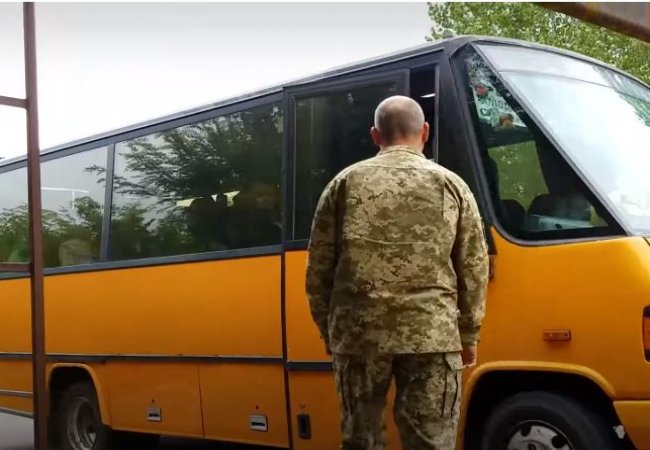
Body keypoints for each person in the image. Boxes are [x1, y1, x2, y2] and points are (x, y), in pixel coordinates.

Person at [306, 95, 489, 450]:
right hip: (432, 336)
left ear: (375, 135)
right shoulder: (451, 184)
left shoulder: (344, 183)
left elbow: (319, 268)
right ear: (425, 132)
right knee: (431, 443)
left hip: (358, 335)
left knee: (361, 441)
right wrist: (468, 334)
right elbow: (473, 266)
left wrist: (330, 332)